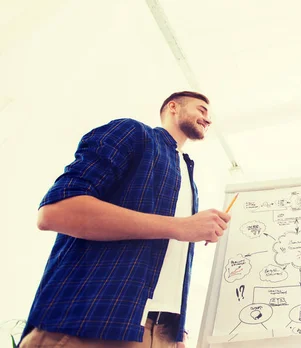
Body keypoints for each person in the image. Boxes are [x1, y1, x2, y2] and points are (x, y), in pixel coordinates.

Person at [19, 91, 231, 347]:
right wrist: (181, 226)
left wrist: (174, 333)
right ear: (173, 107)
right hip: (90, 324)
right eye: (201, 109)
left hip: (160, 335)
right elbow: (56, 212)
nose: (208, 119)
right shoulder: (133, 133)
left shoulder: (188, 174)